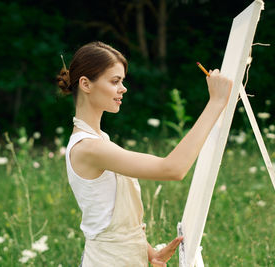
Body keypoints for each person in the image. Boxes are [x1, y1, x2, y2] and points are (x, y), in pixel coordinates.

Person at [56, 41, 232, 267]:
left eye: (122, 81)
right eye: (115, 81)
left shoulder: (101, 141)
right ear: (86, 84)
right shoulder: (90, 148)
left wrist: (151, 254)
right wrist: (216, 102)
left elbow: (109, 219)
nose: (123, 88)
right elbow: (173, 169)